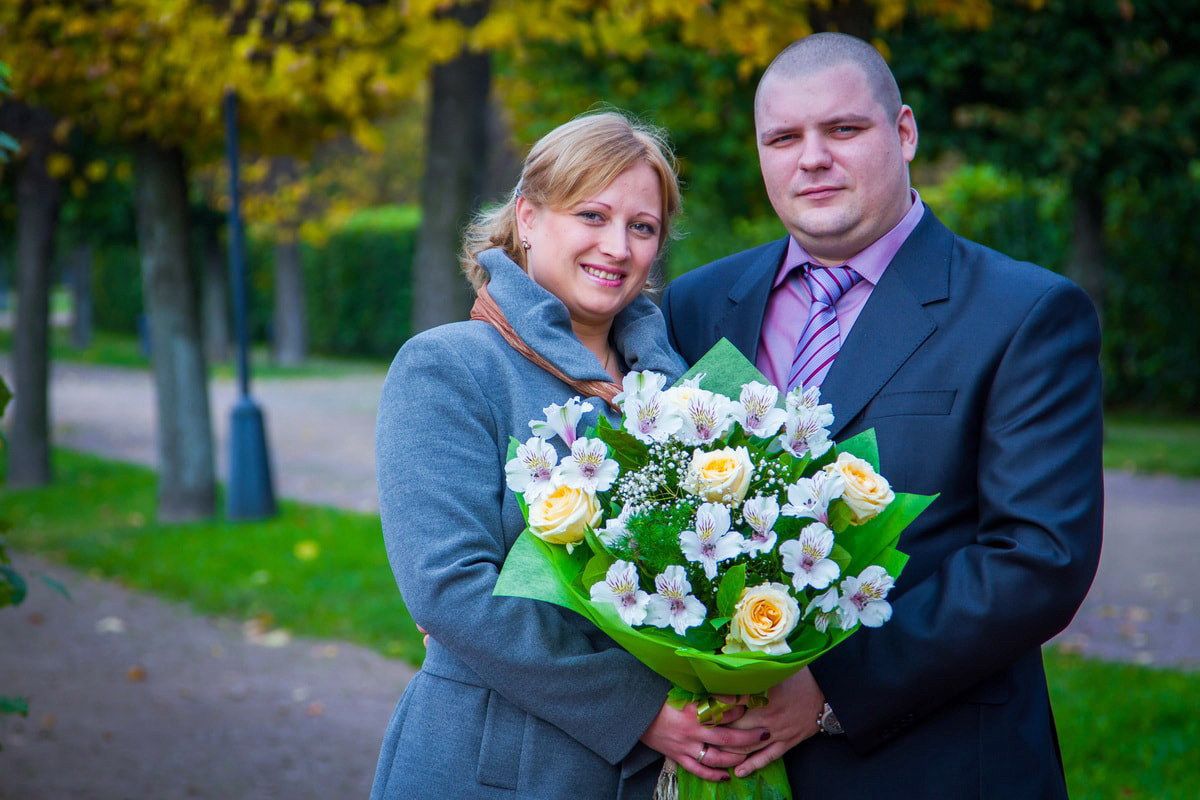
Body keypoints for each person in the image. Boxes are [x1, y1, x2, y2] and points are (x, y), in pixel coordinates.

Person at [660, 33, 1104, 799]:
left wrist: (832, 689)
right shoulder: (699, 304)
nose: (812, 158)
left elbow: (1038, 557)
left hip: (933, 762)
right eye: (784, 138)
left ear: (903, 132)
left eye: (843, 130)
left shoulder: (1024, 313)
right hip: (721, 767)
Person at [370, 111, 769, 799]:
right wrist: (643, 711)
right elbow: (449, 588)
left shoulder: (682, 392)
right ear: (527, 218)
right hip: (497, 766)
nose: (617, 246)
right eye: (592, 215)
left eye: (642, 227)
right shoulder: (450, 367)